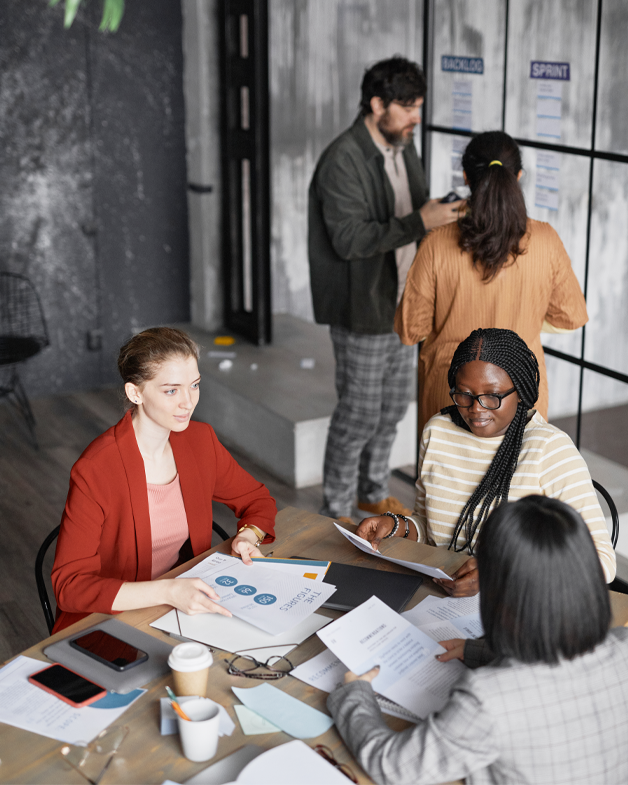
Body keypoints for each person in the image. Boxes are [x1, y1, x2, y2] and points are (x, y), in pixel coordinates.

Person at [329, 495, 628, 785]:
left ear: (502, 597)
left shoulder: (489, 700)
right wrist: (477, 650)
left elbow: (392, 765)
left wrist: (354, 694)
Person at [308, 55, 464, 525]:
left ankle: (371, 495)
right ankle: (334, 511)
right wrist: (421, 220)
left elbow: (412, 213)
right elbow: (350, 239)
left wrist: (438, 213)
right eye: (408, 107)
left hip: (406, 304)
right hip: (364, 307)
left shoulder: (403, 146)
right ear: (377, 104)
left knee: (394, 408)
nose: (416, 117)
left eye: (418, 106)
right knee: (358, 413)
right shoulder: (343, 159)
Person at [51, 327, 276, 633]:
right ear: (135, 393)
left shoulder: (201, 441)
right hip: (109, 623)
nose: (188, 402)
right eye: (171, 390)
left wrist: (248, 537)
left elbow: (257, 500)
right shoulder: (96, 469)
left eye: (194, 385)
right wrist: (168, 591)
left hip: (184, 610)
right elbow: (70, 586)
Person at [356, 328, 615, 593]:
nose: (476, 408)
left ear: (521, 391)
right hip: (439, 593)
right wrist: (397, 525)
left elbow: (601, 562)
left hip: (517, 605)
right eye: (464, 394)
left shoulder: (549, 449)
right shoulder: (438, 432)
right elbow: (431, 529)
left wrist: (499, 574)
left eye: (492, 396)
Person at [395, 130, 588, 435]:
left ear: (466, 178)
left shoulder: (436, 243)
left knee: (447, 482)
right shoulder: (546, 240)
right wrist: (525, 319)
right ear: (519, 176)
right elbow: (571, 316)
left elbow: (410, 330)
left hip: (451, 395)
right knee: (518, 481)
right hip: (520, 395)